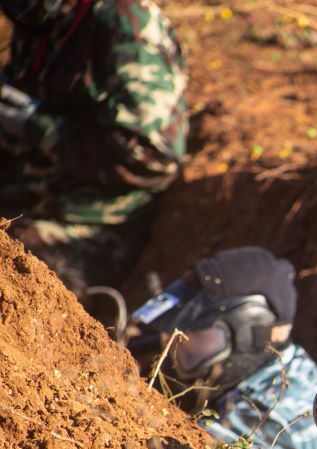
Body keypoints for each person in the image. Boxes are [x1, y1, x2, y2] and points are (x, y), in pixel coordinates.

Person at [126, 247, 317, 449]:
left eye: (196, 334)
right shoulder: (274, 364)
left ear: (247, 332)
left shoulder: (272, 415)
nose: (177, 345)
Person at [0, 0, 187, 297]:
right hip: (24, 202)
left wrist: (39, 128)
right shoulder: (41, 20)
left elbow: (153, 157)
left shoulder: (123, 21)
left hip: (90, 225)